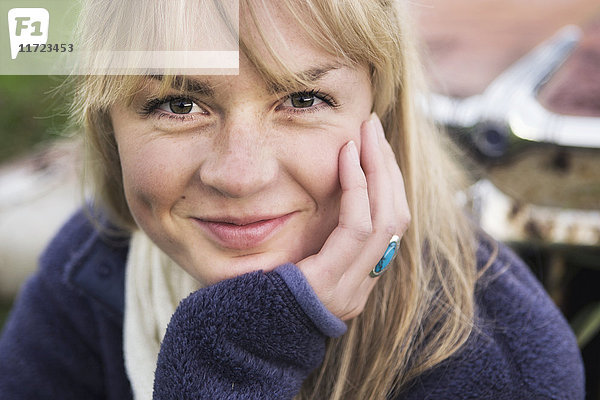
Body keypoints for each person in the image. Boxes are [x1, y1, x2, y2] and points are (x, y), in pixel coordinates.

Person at [0, 0, 584, 399]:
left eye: (303, 99)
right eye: (179, 105)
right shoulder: (97, 263)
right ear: (109, 128)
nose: (240, 175)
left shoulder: (495, 364)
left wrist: (235, 352)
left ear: (379, 112)